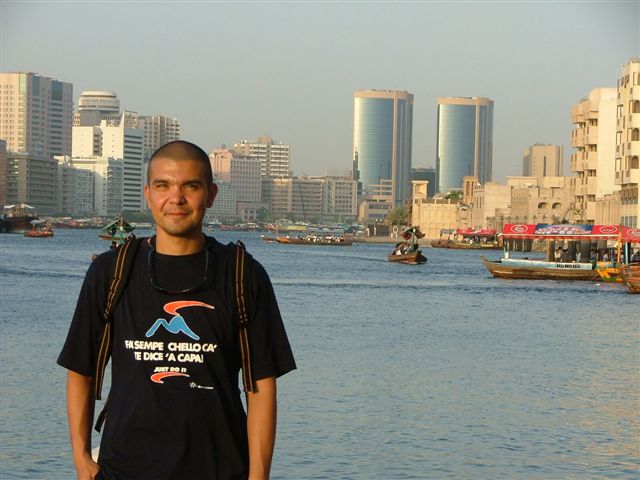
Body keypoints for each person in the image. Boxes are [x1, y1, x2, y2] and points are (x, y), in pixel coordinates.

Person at [58, 140, 296, 480]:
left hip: (220, 469)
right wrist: (82, 459)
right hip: (124, 470)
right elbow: (81, 368)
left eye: (191, 186)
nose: (176, 198)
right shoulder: (111, 273)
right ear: (148, 194)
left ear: (211, 195)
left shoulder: (242, 275)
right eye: (163, 185)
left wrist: (258, 477)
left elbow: (261, 385)